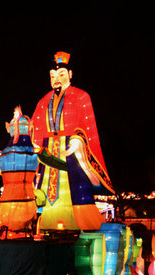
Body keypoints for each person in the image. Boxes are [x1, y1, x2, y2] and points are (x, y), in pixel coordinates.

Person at [31, 52, 113, 231]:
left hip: (72, 148)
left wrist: (78, 141)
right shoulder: (43, 101)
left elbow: (88, 127)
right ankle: (45, 224)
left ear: (70, 74)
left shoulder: (81, 96)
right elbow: (36, 127)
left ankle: (82, 224)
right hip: (48, 149)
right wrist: (35, 146)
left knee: (76, 187)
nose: (56, 79)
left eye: (61, 74)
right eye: (52, 76)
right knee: (45, 188)